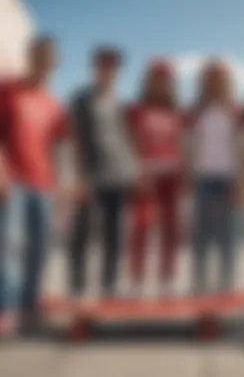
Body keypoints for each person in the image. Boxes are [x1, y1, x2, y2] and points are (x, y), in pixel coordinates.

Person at [0, 36, 69, 333]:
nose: (44, 63)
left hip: (44, 184)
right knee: (10, 246)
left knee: (42, 247)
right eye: (39, 56)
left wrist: (63, 187)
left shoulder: (53, 103)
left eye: (49, 58)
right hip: (14, 181)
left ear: (54, 64)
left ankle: (31, 304)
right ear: (31, 57)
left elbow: (60, 148)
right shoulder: (8, 90)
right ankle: (9, 308)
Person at [69, 46, 136, 299]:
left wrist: (134, 170)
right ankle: (77, 287)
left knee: (114, 234)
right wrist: (79, 176)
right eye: (104, 65)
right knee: (83, 232)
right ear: (95, 67)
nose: (108, 70)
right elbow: (76, 140)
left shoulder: (121, 102)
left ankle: (109, 286)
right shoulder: (81, 99)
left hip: (119, 174)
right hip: (92, 175)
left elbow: (125, 139)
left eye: (113, 66)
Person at [187, 59, 244, 295]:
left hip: (230, 178)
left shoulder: (238, 111)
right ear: (204, 82)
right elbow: (189, 145)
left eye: (221, 78)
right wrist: (188, 177)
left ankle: (226, 285)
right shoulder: (195, 111)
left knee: (229, 236)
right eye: (212, 78)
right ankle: (200, 284)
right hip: (203, 178)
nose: (216, 82)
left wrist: (242, 179)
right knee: (202, 235)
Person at [127, 59, 183, 297]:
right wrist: (138, 170)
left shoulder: (176, 110)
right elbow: (131, 142)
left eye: (165, 79)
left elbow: (180, 142)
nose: (160, 83)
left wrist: (183, 173)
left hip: (170, 174)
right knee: (141, 226)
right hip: (145, 173)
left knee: (170, 228)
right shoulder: (136, 109)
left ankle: (166, 279)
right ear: (148, 81)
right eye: (156, 78)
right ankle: (137, 279)